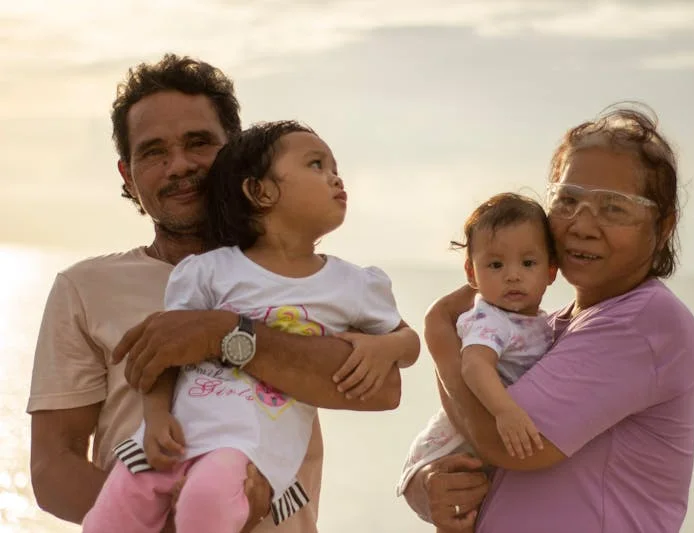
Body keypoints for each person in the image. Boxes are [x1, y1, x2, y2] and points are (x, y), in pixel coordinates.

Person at [27, 54, 414, 533]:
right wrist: (183, 521)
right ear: (128, 174)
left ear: (236, 154)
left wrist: (226, 333)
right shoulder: (84, 289)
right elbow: (53, 468)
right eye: (153, 152)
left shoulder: (313, 280)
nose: (179, 165)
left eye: (199, 143)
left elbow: (383, 390)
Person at [400, 106, 694, 533]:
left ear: (663, 225)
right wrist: (430, 484)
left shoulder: (643, 322)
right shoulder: (549, 328)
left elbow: (508, 445)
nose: (582, 225)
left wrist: (440, 337)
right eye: (568, 200)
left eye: (613, 208)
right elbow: (468, 441)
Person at [396, 193, 557, 499]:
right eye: (495, 265)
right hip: (454, 448)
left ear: (551, 271)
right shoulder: (490, 319)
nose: (512, 275)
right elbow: (474, 365)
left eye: (528, 263)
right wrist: (505, 411)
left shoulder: (537, 322)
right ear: (472, 273)